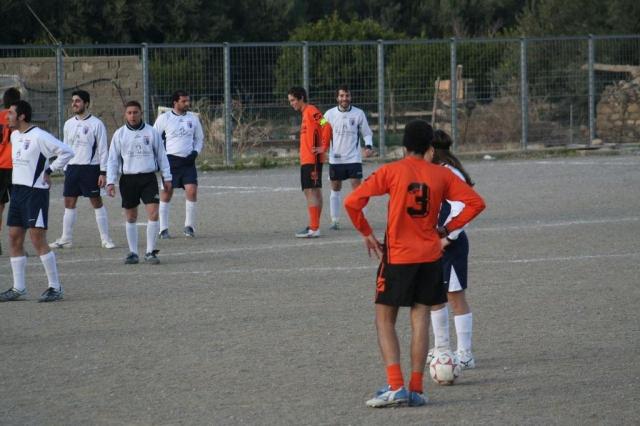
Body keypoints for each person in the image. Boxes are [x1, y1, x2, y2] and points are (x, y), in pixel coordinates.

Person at [344, 120, 485, 408]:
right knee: (420, 318)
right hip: (431, 257)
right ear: (430, 147)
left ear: (404, 146)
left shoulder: (391, 171)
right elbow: (476, 203)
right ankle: (416, 389)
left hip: (398, 257)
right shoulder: (441, 174)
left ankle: (396, 386)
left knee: (384, 320)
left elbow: (352, 202)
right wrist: (446, 230)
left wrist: (366, 232)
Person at [0, 100, 74, 302]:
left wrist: (49, 170)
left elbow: (67, 151)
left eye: (11, 113)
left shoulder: (39, 136)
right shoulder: (14, 135)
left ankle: (55, 287)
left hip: (35, 193)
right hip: (18, 192)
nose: (7, 117)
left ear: (22, 116)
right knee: (14, 237)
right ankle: (19, 288)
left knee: (37, 238)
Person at [426, 129, 477, 369]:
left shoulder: (449, 173)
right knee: (434, 296)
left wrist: (449, 236)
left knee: (455, 298)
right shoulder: (434, 171)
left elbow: (465, 207)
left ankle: (465, 353)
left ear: (432, 150)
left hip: (451, 245)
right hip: (433, 245)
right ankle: (442, 348)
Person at [106, 101, 172, 265]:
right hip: (128, 179)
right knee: (131, 216)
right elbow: (112, 159)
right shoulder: (119, 134)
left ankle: (150, 252)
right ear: (125, 115)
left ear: (141, 113)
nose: (132, 116)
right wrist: (110, 181)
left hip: (148, 178)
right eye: (129, 113)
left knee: (153, 213)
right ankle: (133, 252)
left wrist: (167, 177)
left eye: (135, 112)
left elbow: (162, 156)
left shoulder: (151, 132)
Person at [49, 90, 115, 250]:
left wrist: (103, 172)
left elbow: (103, 150)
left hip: (90, 169)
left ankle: (105, 239)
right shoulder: (68, 124)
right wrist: (65, 167)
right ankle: (66, 239)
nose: (74, 104)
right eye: (73, 101)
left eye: (78, 101)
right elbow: (65, 147)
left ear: (86, 103)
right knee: (69, 202)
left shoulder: (97, 124)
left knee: (96, 202)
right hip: (72, 169)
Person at [153, 90, 204, 239]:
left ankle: (189, 227)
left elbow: (199, 138)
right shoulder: (164, 118)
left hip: (188, 161)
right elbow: (154, 137)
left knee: (192, 191)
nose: (187, 103)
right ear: (175, 102)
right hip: (170, 161)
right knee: (167, 192)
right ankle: (163, 229)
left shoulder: (193, 119)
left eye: (188, 100)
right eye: (184, 101)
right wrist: (159, 158)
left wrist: (195, 153)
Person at [323, 85, 374, 230]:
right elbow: (320, 128)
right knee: (335, 188)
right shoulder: (328, 114)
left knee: (357, 189)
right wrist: (321, 148)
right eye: (341, 96)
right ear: (337, 98)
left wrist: (368, 146)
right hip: (335, 159)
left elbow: (367, 133)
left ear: (350, 97)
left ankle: (361, 219)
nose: (344, 98)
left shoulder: (359, 113)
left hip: (353, 158)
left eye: (347, 96)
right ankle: (335, 221)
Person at [287, 86, 332, 238]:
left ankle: (314, 228)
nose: (291, 103)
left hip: (312, 159)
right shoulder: (305, 113)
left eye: (293, 100)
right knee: (314, 190)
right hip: (308, 159)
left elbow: (326, 125)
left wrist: (323, 147)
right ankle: (314, 225)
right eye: (290, 101)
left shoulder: (311, 110)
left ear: (301, 98)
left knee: (310, 190)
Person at [0, 88, 21, 256]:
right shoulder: (18, 117)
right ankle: (18, 245)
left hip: (0, 166)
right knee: (18, 206)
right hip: (16, 166)